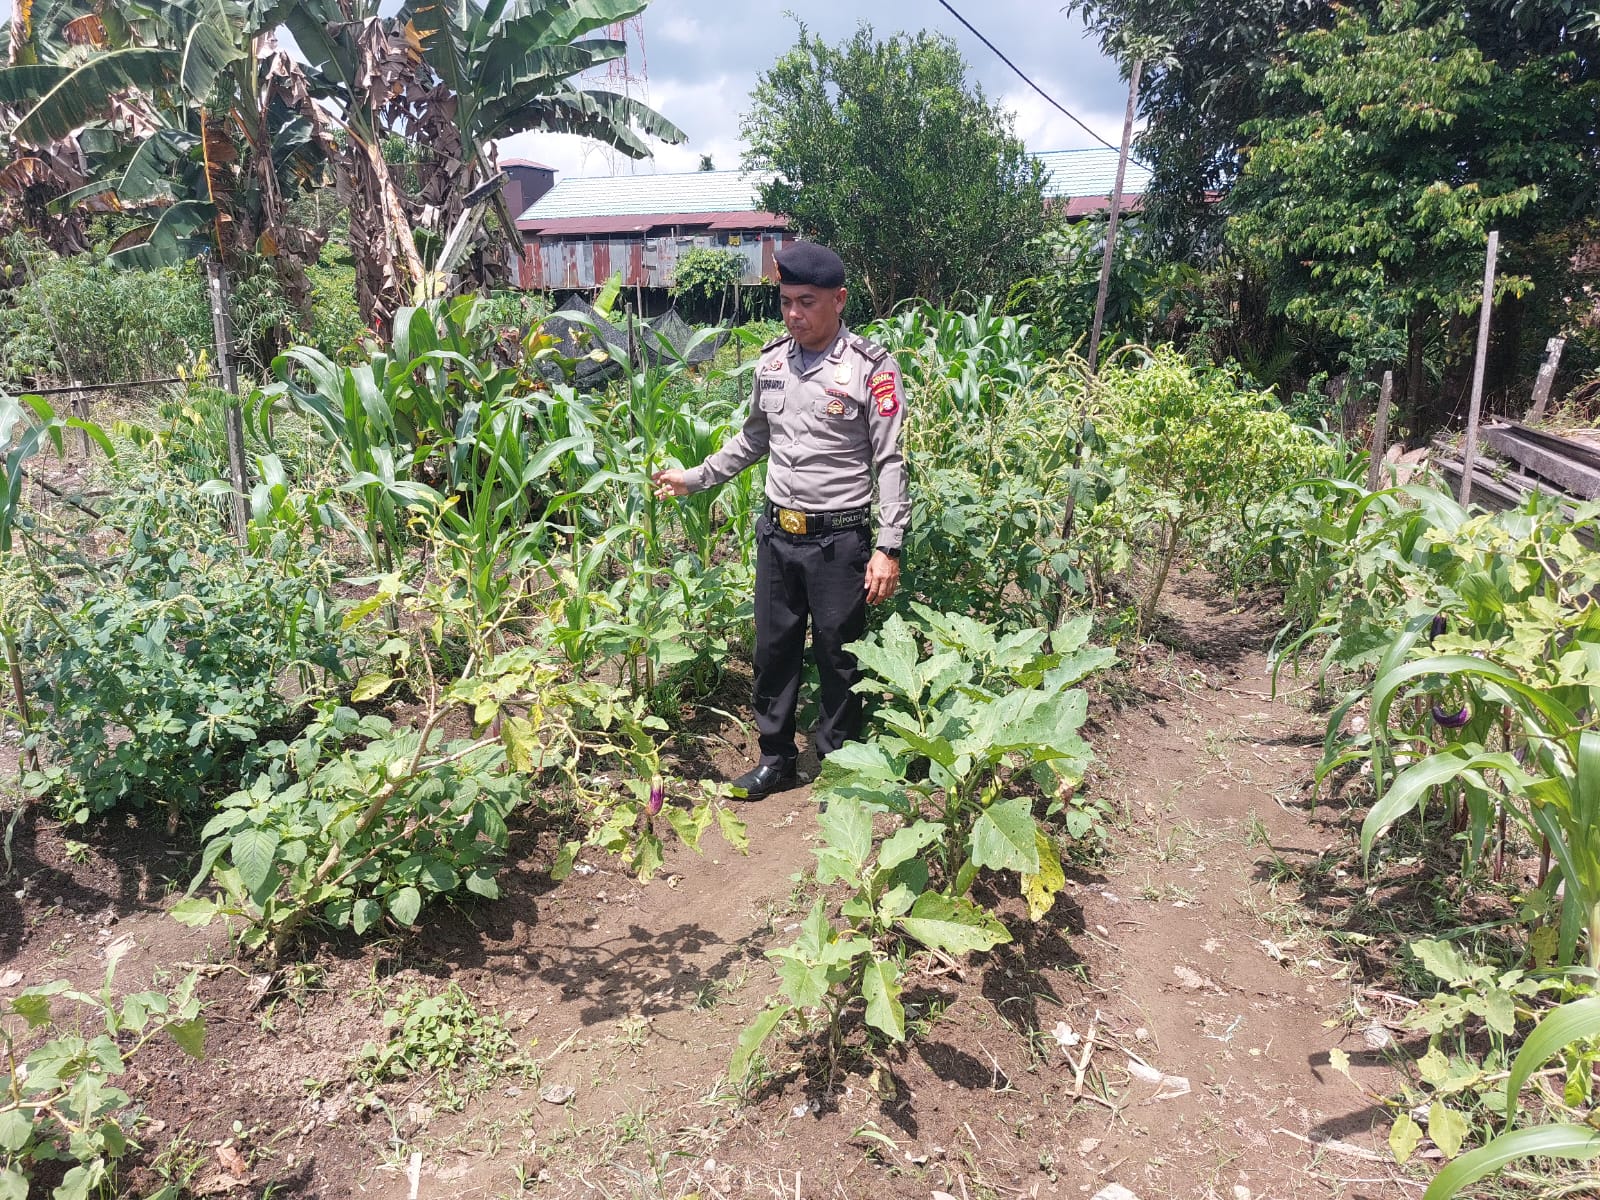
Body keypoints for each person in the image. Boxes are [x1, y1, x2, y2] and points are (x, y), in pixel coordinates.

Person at [652, 241, 909, 799]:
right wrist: (695, 477)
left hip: (839, 539)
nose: (794, 314)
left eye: (807, 302)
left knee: (840, 657)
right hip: (777, 534)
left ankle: (839, 764)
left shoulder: (871, 369)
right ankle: (776, 759)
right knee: (773, 652)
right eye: (786, 301)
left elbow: (889, 460)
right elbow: (753, 440)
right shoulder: (771, 364)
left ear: (839, 299)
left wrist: (888, 546)